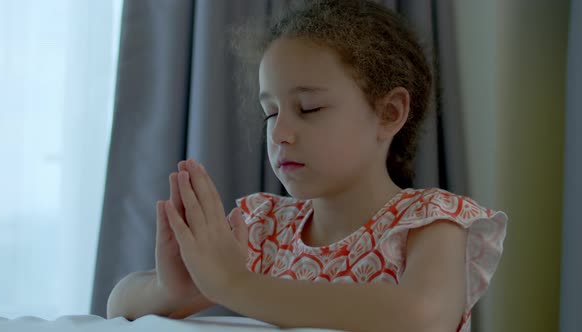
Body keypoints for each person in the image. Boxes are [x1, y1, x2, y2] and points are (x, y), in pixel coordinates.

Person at [106, 1, 508, 331]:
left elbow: (421, 316)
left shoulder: (430, 222)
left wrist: (235, 283)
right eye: (270, 113)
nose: (279, 132)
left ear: (389, 113)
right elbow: (116, 305)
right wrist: (170, 291)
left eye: (309, 108)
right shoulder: (262, 227)